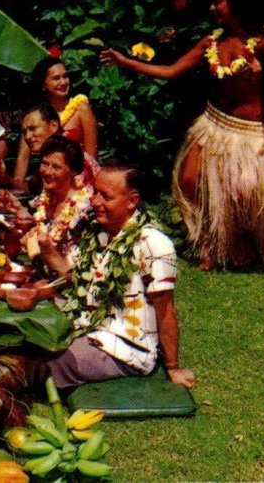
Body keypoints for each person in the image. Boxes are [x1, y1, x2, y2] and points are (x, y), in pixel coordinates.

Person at [99, 0, 264, 270]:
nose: (211, 8)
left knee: (246, 190)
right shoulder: (210, 42)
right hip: (213, 124)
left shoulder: (263, 42)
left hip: (251, 133)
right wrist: (126, 62)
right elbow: (172, 70)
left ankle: (246, 245)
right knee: (188, 181)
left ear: (236, 3)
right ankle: (206, 246)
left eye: (217, 1)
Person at [44, 161, 195, 389]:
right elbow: (76, 277)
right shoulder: (101, 233)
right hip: (90, 328)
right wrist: (47, 252)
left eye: (106, 196)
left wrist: (172, 367)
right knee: (35, 328)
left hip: (124, 349)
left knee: (48, 361)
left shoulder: (153, 244)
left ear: (132, 201)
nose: (94, 201)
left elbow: (165, 308)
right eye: (95, 192)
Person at [1, 136, 93, 262]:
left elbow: (76, 263)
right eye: (44, 164)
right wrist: (18, 208)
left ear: (74, 170)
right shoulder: (47, 196)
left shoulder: (84, 210)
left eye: (56, 167)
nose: (47, 172)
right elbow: (40, 226)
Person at [32, 56, 99, 160]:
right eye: (56, 78)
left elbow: (92, 159)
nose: (63, 82)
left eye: (65, 76)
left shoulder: (81, 108)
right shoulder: (37, 115)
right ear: (43, 84)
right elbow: (23, 157)